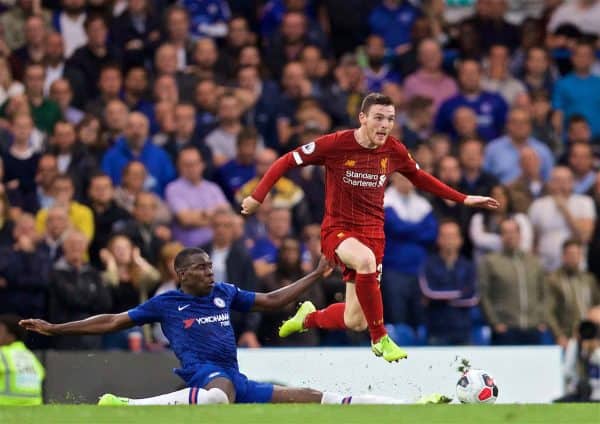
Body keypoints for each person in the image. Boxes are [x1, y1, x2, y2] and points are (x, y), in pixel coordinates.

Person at [241, 93, 498, 362]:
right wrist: (257, 197)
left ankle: (309, 317)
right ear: (362, 118)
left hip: (373, 235)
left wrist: (464, 198)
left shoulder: (394, 150)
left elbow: (420, 178)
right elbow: (286, 160)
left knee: (355, 320)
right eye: (378, 118)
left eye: (390, 119)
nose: (385, 125)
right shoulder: (337, 144)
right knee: (364, 262)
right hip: (338, 231)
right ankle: (381, 338)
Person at [18, 248, 449, 405]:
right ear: (181, 273)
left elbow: (273, 301)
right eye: (201, 267)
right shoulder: (167, 302)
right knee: (217, 395)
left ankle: (410, 406)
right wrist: (56, 329)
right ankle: (129, 406)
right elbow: (111, 321)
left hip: (233, 377)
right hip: (204, 373)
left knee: (310, 397)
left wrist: (316, 275)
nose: (209, 271)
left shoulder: (224, 291)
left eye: (210, 265)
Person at [0, 314, 45, 405]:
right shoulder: (30, 356)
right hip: (33, 409)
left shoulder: (3, 354)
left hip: (5, 406)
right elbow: (42, 373)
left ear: (11, 335)